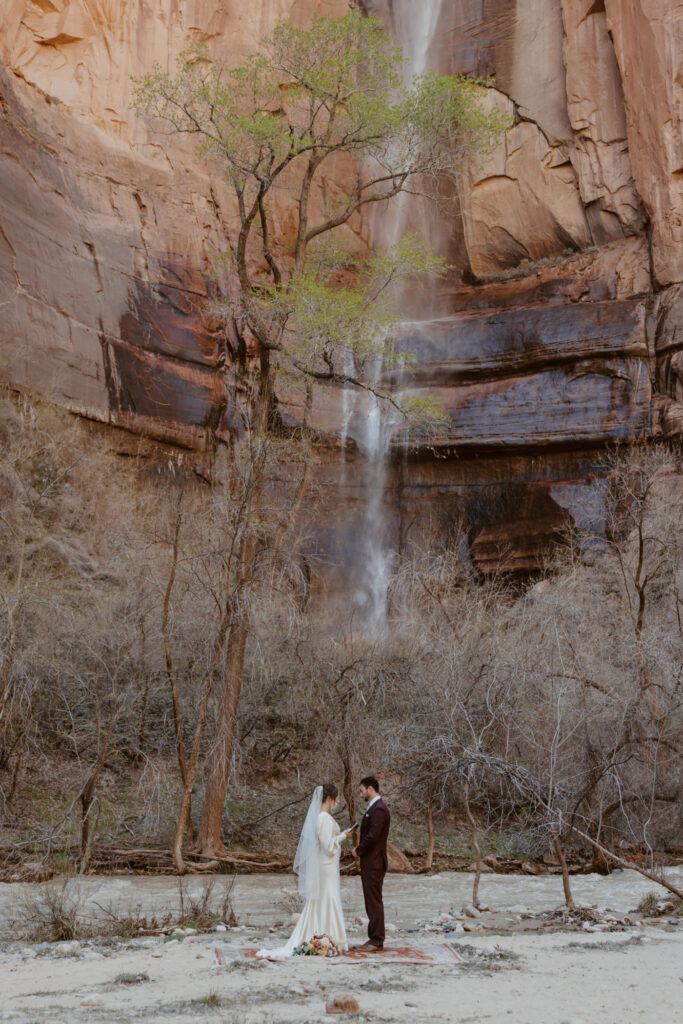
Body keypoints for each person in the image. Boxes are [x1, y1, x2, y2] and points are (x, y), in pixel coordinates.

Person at [256, 783, 354, 959]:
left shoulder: (321, 816)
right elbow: (327, 845)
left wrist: (340, 836)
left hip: (326, 864)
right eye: (337, 798)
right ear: (330, 798)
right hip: (326, 864)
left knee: (325, 898)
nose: (338, 801)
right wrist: (343, 836)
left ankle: (326, 935)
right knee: (328, 897)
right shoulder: (323, 817)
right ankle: (330, 937)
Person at [351, 775, 391, 952]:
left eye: (362, 791)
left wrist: (358, 850)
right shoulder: (373, 808)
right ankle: (373, 938)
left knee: (374, 901)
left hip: (374, 862)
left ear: (370, 789)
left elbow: (373, 835)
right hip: (371, 861)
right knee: (371, 901)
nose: (360, 795)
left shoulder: (379, 809)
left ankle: (376, 940)